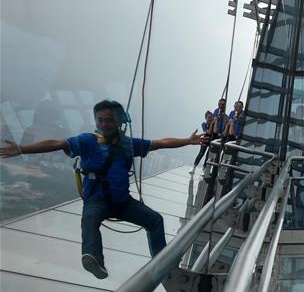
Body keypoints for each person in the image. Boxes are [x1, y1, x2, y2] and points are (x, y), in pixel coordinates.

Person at [0, 99, 207, 279]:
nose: (105, 124)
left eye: (109, 120)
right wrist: (21, 149)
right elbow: (57, 143)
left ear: (117, 122)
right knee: (89, 220)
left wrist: (188, 141)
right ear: (96, 121)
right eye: (100, 120)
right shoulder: (88, 141)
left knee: (155, 220)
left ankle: (163, 263)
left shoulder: (128, 144)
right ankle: (93, 258)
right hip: (97, 201)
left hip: (122, 202)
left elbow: (159, 143)